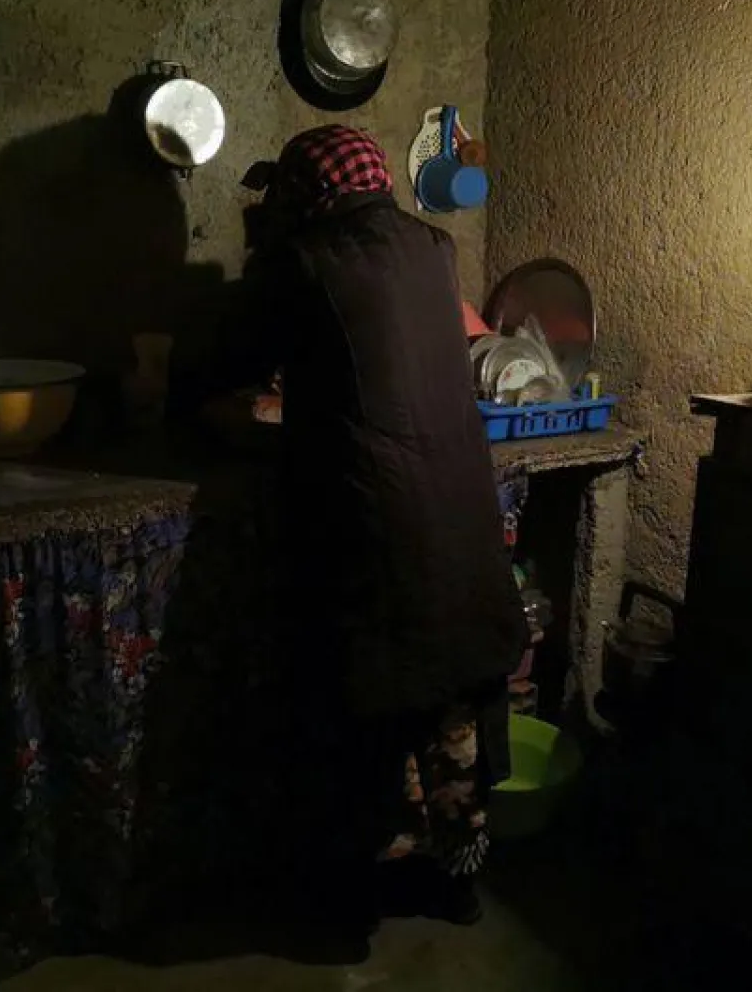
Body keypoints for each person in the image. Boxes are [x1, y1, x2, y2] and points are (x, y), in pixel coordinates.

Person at [222, 125, 528, 934]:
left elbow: (237, 360)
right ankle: (454, 882)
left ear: (303, 191)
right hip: (459, 519)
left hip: (375, 532)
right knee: (449, 715)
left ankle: (347, 916)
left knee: (361, 724)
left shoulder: (300, 260)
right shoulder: (434, 247)